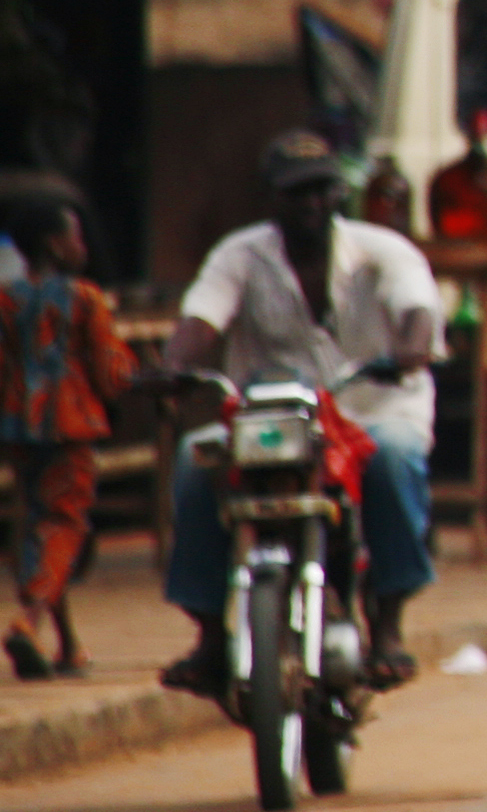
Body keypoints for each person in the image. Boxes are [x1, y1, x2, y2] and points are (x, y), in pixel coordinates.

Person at [158, 133, 444, 693]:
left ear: (339, 193)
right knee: (196, 463)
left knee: (394, 460)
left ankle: (387, 627)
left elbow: (418, 309)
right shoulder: (239, 255)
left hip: (369, 411)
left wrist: (410, 351)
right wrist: (174, 366)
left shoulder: (382, 251)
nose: (311, 204)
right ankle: (211, 634)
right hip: (270, 419)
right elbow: (199, 323)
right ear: (271, 200)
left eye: (321, 190)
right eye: (296, 194)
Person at [0, 197, 135, 680]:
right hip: (70, 425)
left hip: (19, 428)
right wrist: (139, 380)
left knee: (39, 520)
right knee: (65, 524)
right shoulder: (85, 298)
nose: (82, 245)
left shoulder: (6, 298)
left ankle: (67, 645)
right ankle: (28, 619)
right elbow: (110, 370)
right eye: (74, 236)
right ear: (55, 246)